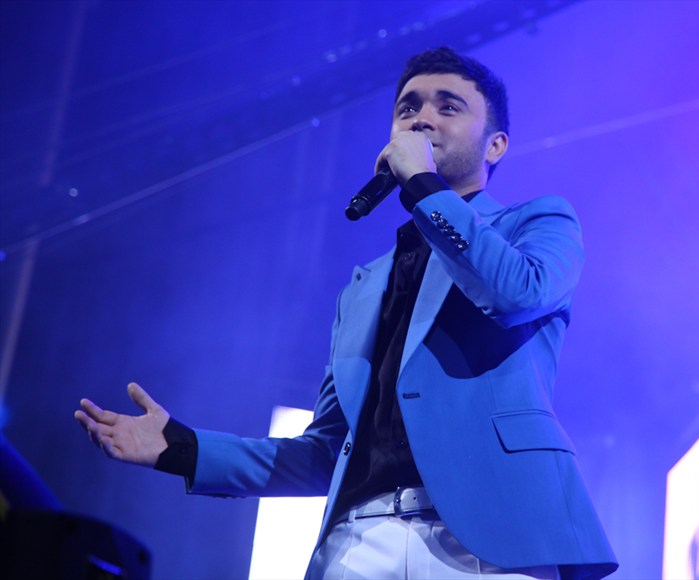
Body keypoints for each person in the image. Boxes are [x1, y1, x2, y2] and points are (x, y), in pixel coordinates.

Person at [74, 47, 618, 579]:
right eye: (408, 108)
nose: (422, 118)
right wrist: (182, 450)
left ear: (495, 144)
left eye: (448, 106)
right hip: (358, 539)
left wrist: (424, 184)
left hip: (493, 541)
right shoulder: (363, 287)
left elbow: (516, 293)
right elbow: (327, 450)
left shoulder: (538, 222)